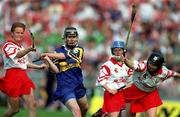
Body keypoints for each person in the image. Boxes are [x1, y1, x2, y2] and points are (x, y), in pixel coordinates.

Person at [0, 22, 47, 117]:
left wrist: (39, 67)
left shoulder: (21, 47)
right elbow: (17, 55)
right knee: (14, 110)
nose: (20, 35)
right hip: (12, 77)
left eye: (22, 33)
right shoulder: (7, 45)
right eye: (17, 32)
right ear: (12, 33)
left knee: (32, 104)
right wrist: (29, 48)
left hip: (23, 76)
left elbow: (25, 63)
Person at [41, 27, 89, 117]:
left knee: (85, 108)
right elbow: (56, 70)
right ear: (65, 38)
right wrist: (48, 60)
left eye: (74, 37)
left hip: (78, 85)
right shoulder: (57, 52)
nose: (72, 39)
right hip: (65, 87)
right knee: (77, 112)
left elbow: (64, 56)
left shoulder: (79, 50)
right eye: (69, 37)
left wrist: (47, 54)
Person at [122, 51, 180, 117]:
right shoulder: (143, 66)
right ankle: (121, 113)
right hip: (134, 91)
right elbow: (132, 65)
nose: (151, 66)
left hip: (149, 94)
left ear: (159, 66)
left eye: (154, 65)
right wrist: (125, 60)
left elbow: (174, 74)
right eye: (150, 63)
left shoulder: (164, 72)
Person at [95, 40, 133, 117]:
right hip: (112, 95)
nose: (118, 52)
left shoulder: (128, 65)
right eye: (115, 50)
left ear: (124, 51)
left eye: (120, 50)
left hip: (124, 95)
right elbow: (101, 80)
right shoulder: (107, 65)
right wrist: (110, 90)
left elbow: (131, 80)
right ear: (112, 52)